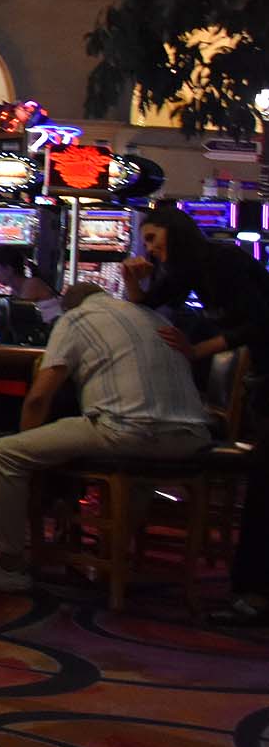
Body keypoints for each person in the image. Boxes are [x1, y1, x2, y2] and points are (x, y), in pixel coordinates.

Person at [0, 283, 215, 592]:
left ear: (67, 307)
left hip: (128, 429)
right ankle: (112, 560)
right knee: (137, 471)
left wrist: (32, 449)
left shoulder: (75, 319)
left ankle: (6, 566)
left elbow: (39, 398)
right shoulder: (154, 317)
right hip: (192, 438)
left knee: (3, 454)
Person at [125, 205, 269, 625]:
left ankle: (254, 595)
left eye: (153, 239)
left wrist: (198, 350)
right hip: (265, 375)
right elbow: (145, 310)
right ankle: (251, 592)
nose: (150, 249)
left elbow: (260, 324)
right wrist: (132, 279)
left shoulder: (223, 260)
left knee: (264, 485)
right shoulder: (187, 271)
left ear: (176, 232)